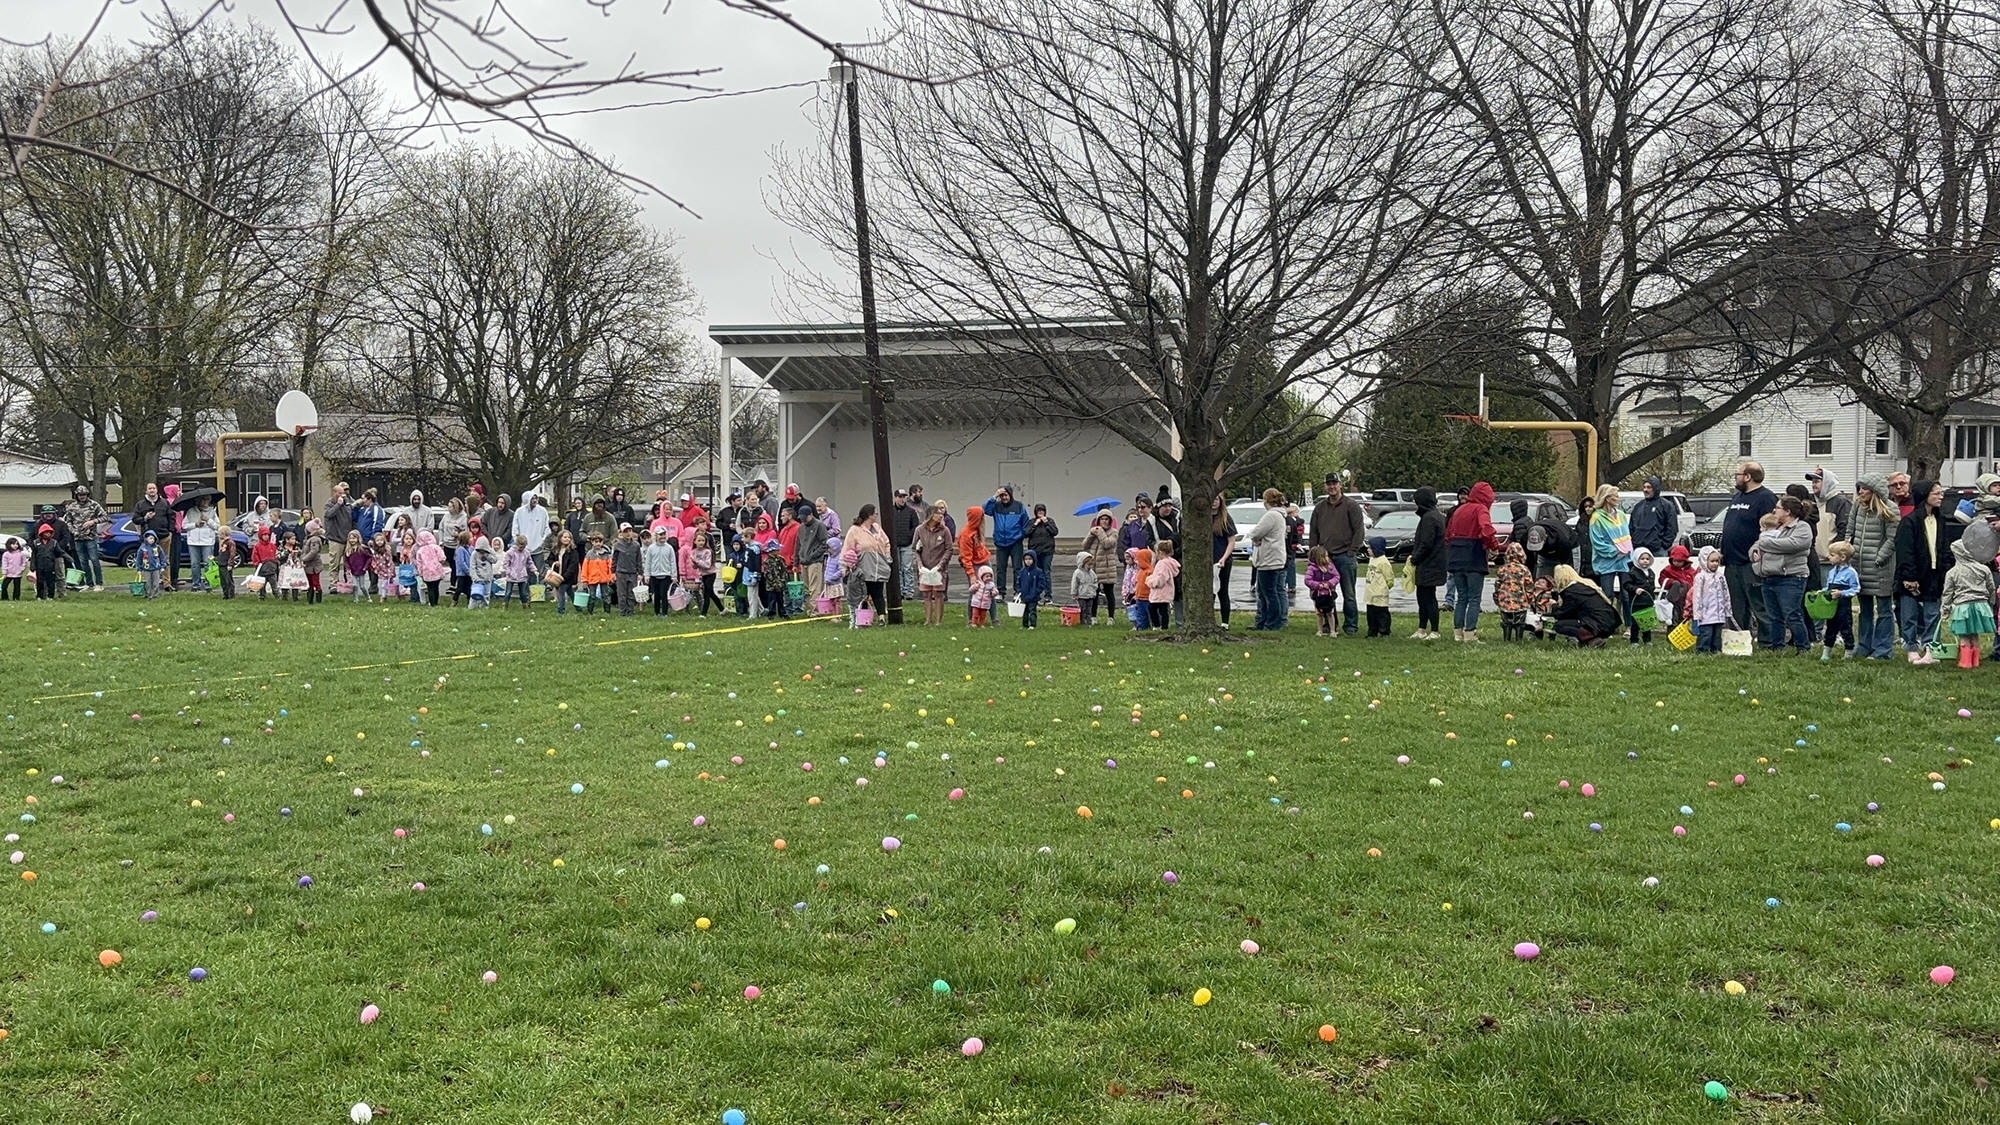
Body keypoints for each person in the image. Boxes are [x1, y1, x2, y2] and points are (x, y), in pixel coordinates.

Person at [1895, 480, 1954, 663]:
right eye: (1936, 493)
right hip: (1912, 575)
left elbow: (1944, 546)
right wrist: (1909, 576)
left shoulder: (1940, 520)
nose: (1940, 497)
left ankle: (1930, 647)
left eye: (1941, 493)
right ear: (1924, 496)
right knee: (1909, 614)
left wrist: (1946, 569)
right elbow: (1905, 551)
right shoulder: (1909, 521)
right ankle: (1911, 648)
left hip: (1934, 574)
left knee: (1932, 613)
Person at [1720, 461, 1777, 636]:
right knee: (1736, 605)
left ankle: (1768, 639)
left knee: (1758, 603)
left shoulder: (1766, 498)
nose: (1735, 478)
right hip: (1732, 561)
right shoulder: (1737, 497)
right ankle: (1740, 637)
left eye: (1737, 475)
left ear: (1747, 477)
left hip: (1751, 563)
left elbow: (1771, 528)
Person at [1753, 496, 1814, 654]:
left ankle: (1803, 647)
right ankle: (1777, 647)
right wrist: (1754, 553)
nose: (1774, 510)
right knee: (1774, 616)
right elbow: (1755, 546)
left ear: (1787, 511)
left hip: (1791, 578)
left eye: (1778, 508)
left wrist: (1765, 544)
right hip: (1768, 577)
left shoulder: (1802, 527)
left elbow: (1794, 544)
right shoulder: (1774, 527)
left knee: (1791, 614)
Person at [1307, 473, 1366, 634]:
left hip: (1345, 556)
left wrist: (1352, 551)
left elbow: (1359, 530)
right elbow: (1313, 532)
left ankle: (1351, 626)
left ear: (1340, 485)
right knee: (1325, 593)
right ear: (1325, 486)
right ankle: (1329, 624)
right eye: (1329, 484)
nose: (1332, 486)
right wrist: (1314, 554)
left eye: (1335, 483)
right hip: (1324, 557)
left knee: (1349, 594)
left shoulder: (1351, 505)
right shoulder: (1320, 508)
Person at [1850, 475, 1901, 659]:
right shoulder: (1857, 506)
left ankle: (1883, 649)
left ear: (1875, 491)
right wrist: (1848, 551)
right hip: (1859, 565)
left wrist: (1879, 558)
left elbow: (1892, 539)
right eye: (1859, 488)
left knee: (1884, 609)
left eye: (1864, 488)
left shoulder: (1890, 509)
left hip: (1881, 568)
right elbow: (1850, 530)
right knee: (1864, 609)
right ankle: (1863, 646)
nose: (1860, 492)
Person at [1443, 481, 1500, 642]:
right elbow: (1486, 529)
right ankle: (1470, 633)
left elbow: (1448, 534)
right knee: (1474, 598)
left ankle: (1458, 633)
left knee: (1461, 597)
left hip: (1456, 555)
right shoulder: (1481, 509)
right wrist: (1493, 546)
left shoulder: (1459, 510)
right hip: (1473, 555)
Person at [1588, 484, 1635, 634]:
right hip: (1606, 562)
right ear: (1607, 498)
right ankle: (1607, 626)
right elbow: (1597, 542)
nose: (1618, 498)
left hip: (1624, 560)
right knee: (1607, 596)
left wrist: (1628, 550)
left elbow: (1627, 535)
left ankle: (1629, 626)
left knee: (1626, 594)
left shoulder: (1621, 514)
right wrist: (1615, 551)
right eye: (1615, 496)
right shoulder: (1596, 518)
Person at [1942, 538, 1996, 668]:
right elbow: (1991, 587)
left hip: (1963, 607)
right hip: (1981, 605)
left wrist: (1945, 609)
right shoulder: (1983, 569)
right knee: (1974, 633)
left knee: (1964, 634)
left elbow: (1948, 592)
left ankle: (1965, 662)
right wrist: (1991, 602)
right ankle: (1975, 661)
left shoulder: (1952, 572)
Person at [1248, 489, 1290, 631]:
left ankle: (1272, 623)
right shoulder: (1280, 515)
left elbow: (1256, 533)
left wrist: (1255, 538)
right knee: (1268, 592)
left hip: (1269, 559)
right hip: (1274, 558)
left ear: (1266, 500)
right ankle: (1263, 621)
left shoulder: (1271, 515)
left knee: (1268, 593)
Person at [1549, 564, 1620, 646]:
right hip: (1608, 622)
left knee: (1559, 626)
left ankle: (1591, 639)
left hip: (1596, 624)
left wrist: (1554, 605)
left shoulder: (1571, 592)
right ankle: (1587, 639)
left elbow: (1562, 614)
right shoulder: (1585, 584)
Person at [1409, 487, 1447, 640]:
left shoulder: (1429, 518)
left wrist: (1415, 558)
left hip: (1429, 563)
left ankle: (1435, 630)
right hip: (1434, 563)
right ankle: (1422, 628)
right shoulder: (1437, 516)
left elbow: (1426, 543)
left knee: (1428, 598)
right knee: (1423, 596)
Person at [847, 504, 893, 621]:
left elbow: (886, 542)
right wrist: (849, 564)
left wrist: (887, 557)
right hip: (863, 566)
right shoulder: (855, 530)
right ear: (869, 515)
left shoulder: (877, 528)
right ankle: (863, 618)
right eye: (875, 513)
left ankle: (882, 617)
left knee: (878, 592)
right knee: (863, 594)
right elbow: (848, 548)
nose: (877, 515)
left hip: (878, 566)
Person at [983, 484, 1029, 598]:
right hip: (1000, 543)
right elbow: (984, 509)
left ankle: (1018, 591)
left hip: (1015, 542)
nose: (1004, 497)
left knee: (1017, 568)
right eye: (1002, 495)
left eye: (1006, 495)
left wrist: (1021, 535)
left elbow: (1025, 522)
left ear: (1010, 495)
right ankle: (1000, 592)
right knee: (1000, 569)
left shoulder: (1019, 506)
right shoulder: (996, 506)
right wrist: (994, 496)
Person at [62, 483, 110, 590]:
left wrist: (93, 521)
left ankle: (99, 583)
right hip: (78, 538)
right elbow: (68, 521)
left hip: (91, 538)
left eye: (84, 494)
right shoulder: (72, 507)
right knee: (83, 562)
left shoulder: (94, 505)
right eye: (80, 495)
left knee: (94, 560)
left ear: (87, 495)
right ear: (76, 495)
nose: (82, 496)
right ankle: (89, 583)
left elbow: (105, 517)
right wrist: (73, 531)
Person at [914, 504, 954, 625]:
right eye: (938, 513)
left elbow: (949, 549)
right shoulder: (920, 530)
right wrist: (919, 564)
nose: (941, 516)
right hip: (924, 567)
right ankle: (927, 620)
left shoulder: (945, 530)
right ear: (931, 515)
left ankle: (938, 621)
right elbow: (914, 549)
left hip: (939, 568)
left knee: (938, 593)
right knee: (926, 594)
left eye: (942, 514)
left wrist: (941, 564)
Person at [1821, 541, 1859, 660]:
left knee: (1845, 627)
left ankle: (1849, 651)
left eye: (1832, 555)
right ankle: (1826, 652)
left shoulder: (1851, 573)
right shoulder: (1832, 572)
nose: (1829, 557)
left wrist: (1842, 593)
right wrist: (1823, 591)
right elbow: (1829, 587)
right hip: (1832, 605)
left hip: (1843, 605)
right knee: (1830, 627)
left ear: (1842, 557)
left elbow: (1856, 589)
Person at [1081, 511, 1121, 623]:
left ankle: (1111, 617)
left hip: (1108, 567)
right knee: (1094, 593)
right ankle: (1093, 617)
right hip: (1095, 566)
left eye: (1106, 519)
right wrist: (1091, 534)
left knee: (1109, 593)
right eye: (1102, 519)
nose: (1104, 521)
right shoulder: (1095, 531)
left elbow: (1107, 544)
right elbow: (1084, 545)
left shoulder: (1114, 533)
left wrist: (1101, 533)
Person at [134, 482, 175, 592]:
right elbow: (135, 519)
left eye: (153, 488)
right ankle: (150, 583)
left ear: (157, 490)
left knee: (165, 559)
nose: (152, 490)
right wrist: (145, 518)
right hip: (148, 538)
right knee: (147, 559)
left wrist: (170, 531)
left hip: (164, 535)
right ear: (146, 491)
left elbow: (171, 516)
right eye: (149, 488)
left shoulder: (164, 503)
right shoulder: (140, 505)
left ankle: (167, 583)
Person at [1493, 541, 1533, 642]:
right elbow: (1529, 585)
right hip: (1520, 600)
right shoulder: (1524, 569)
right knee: (1520, 622)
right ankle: (1519, 639)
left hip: (1505, 600)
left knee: (1506, 622)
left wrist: (1496, 597)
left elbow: (1497, 585)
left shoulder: (1502, 569)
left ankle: (1506, 639)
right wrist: (1530, 598)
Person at [1691, 547, 1730, 652]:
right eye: (1712, 561)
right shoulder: (1700, 577)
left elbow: (1726, 594)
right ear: (1704, 561)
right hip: (1706, 614)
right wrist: (1697, 614)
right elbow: (1697, 596)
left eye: (1717, 561)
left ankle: (1715, 650)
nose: (1715, 564)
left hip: (1719, 613)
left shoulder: (1721, 577)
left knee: (1717, 635)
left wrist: (1727, 610)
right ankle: (1702, 650)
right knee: (1706, 634)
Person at [1628, 477, 1679, 556]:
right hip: (1639, 549)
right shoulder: (1638, 506)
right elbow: (1631, 526)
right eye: (1644, 487)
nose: (1645, 490)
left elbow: (1672, 527)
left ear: (1655, 489)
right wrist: (1633, 542)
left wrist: (1664, 545)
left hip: (1658, 550)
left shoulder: (1666, 505)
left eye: (1649, 487)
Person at [1211, 496, 1239, 626]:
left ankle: (1225, 623)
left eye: (1216, 499)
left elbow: (1231, 541)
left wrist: (1224, 558)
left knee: (1222, 591)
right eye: (1212, 499)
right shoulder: (1203, 518)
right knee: (1209, 593)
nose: (1214, 502)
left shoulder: (1226, 519)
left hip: (1222, 561)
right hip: (1208, 561)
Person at [184, 495, 221, 592]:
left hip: (208, 542)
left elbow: (217, 526)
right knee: (194, 564)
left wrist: (208, 520)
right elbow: (184, 526)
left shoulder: (212, 512)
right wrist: (195, 524)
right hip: (193, 541)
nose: (205, 502)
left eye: (207, 500)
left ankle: (208, 585)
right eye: (203, 500)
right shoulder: (191, 511)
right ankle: (196, 584)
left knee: (208, 564)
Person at [889, 488, 921, 599]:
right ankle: (900, 590)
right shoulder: (890, 511)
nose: (902, 499)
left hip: (907, 544)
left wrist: (909, 536)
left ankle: (909, 590)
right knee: (897, 568)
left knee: (907, 568)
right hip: (894, 545)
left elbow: (915, 526)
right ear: (895, 498)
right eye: (900, 497)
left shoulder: (911, 512)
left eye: (904, 497)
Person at [1304, 546, 1339, 636]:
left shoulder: (1330, 566)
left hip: (1328, 593)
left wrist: (1330, 583)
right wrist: (1317, 585)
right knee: (1319, 612)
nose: (1328, 558)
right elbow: (1307, 580)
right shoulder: (1312, 568)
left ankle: (1332, 630)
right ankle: (1320, 630)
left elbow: (1336, 576)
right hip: (1317, 594)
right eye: (1325, 556)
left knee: (1330, 612)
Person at [1659, 544, 1697, 627]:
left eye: (1679, 561)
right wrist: (1672, 582)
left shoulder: (1691, 571)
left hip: (1687, 600)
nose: (1676, 563)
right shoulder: (1668, 570)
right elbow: (1662, 580)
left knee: (1683, 620)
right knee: (1672, 618)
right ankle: (1671, 632)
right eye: (1674, 560)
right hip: (1673, 601)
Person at [1143, 540, 1177, 629]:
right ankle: (1163, 626)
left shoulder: (1162, 564)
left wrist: (1151, 582)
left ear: (1160, 552)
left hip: (1160, 592)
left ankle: (1158, 626)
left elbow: (1161, 578)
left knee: (1153, 608)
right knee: (1163, 610)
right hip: (1166, 592)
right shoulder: (1169, 563)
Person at [1364, 536, 1394, 638]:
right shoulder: (1372, 560)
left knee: (1381, 613)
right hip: (1370, 592)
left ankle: (1384, 631)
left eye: (1370, 548)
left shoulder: (1383, 562)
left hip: (1380, 593)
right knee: (1371, 614)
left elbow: (1389, 576)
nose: (1368, 550)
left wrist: (1388, 584)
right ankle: (1372, 632)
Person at [644, 528, 678, 616]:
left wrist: (674, 575)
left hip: (666, 574)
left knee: (664, 594)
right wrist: (647, 575)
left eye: (664, 534)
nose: (662, 536)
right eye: (660, 535)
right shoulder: (651, 548)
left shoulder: (669, 548)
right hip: (654, 575)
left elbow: (672, 562)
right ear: (655, 536)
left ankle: (664, 613)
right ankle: (657, 612)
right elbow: (648, 562)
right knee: (656, 594)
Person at [610, 524, 643, 616]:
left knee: (631, 593)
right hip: (621, 572)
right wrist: (613, 572)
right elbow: (614, 560)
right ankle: (622, 611)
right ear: (621, 533)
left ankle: (630, 610)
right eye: (625, 531)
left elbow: (639, 560)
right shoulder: (617, 545)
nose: (628, 533)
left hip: (632, 572)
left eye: (630, 531)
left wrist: (640, 572)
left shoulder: (636, 545)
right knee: (621, 593)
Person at [1627, 547, 1657, 644]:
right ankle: (1634, 640)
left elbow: (1652, 585)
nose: (1645, 561)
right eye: (1642, 559)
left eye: (1647, 559)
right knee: (1635, 622)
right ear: (1636, 559)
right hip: (1637, 602)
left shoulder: (1650, 572)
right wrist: (1635, 589)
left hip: (1647, 601)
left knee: (1647, 622)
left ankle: (1647, 639)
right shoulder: (1633, 572)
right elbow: (1627, 584)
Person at [957, 507, 992, 589]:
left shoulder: (978, 529)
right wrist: (971, 574)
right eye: (981, 517)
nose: (983, 520)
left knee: (989, 588)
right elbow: (966, 557)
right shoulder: (966, 535)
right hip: (975, 565)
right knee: (977, 590)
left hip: (984, 560)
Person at [548, 530, 582, 615]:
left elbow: (573, 565)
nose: (567, 539)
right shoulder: (555, 549)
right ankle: (579, 608)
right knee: (570, 593)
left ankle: (561, 611)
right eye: (565, 537)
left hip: (567, 577)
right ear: (560, 538)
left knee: (561, 592)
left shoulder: (573, 551)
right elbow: (549, 559)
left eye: (569, 537)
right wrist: (554, 563)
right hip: (557, 575)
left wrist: (564, 577)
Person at [517, 494, 552, 571]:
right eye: (532, 498)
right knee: (524, 571)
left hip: (538, 548)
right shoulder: (519, 512)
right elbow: (515, 530)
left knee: (538, 571)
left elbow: (547, 528)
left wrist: (542, 541)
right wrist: (519, 543)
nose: (534, 500)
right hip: (523, 548)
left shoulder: (542, 511)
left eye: (535, 498)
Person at [1026, 505, 1060, 582]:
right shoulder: (1032, 522)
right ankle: (1036, 588)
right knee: (1036, 571)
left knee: (1046, 571)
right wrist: (1035, 524)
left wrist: (1046, 523)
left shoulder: (1050, 521)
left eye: (1042, 510)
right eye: (1038, 511)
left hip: (1047, 551)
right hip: (1035, 551)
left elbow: (1055, 532)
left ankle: (1047, 589)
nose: (1040, 512)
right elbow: (1026, 533)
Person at [579, 533, 613, 613]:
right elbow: (585, 568)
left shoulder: (606, 554)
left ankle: (607, 611)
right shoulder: (589, 554)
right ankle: (590, 611)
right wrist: (584, 579)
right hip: (592, 578)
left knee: (605, 595)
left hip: (604, 578)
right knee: (592, 595)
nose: (598, 543)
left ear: (602, 542)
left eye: (600, 542)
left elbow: (610, 567)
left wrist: (610, 577)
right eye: (596, 541)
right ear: (592, 542)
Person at [1018, 548, 1052, 628]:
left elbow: (1042, 583)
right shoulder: (1022, 572)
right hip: (1024, 595)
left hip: (1034, 596)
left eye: (1030, 559)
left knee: (1032, 611)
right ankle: (1025, 625)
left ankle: (1033, 624)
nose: (1028, 561)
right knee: (1025, 611)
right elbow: (1018, 582)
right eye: (1026, 559)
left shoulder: (1038, 571)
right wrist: (1020, 591)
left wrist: (1037, 591)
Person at [1125, 546, 1154, 631]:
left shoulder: (1150, 571)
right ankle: (1141, 627)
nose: (1137, 562)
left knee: (1150, 614)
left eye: (1139, 560)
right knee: (1140, 614)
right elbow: (1137, 583)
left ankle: (1153, 626)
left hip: (1148, 598)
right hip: (1139, 597)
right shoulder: (1140, 572)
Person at [30, 526, 64, 599]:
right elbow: (33, 555)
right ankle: (40, 596)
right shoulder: (36, 542)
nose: (48, 534)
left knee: (51, 582)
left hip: (50, 566)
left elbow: (59, 552)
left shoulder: (54, 542)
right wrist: (32, 566)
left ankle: (50, 596)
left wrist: (68, 557)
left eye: (49, 533)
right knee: (40, 582)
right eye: (46, 532)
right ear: (41, 533)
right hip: (39, 566)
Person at [502, 535, 533, 608]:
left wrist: (534, 569)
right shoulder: (510, 552)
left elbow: (530, 562)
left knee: (523, 592)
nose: (522, 549)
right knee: (508, 592)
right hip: (511, 575)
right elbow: (506, 563)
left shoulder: (526, 552)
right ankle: (505, 605)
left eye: (524, 547)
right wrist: (509, 572)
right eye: (520, 547)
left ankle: (524, 605)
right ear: (516, 544)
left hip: (522, 575)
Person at [469, 535, 499, 608]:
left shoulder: (490, 552)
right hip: (478, 578)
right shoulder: (474, 554)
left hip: (487, 578)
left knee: (486, 595)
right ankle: (472, 608)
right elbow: (472, 567)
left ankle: (484, 608)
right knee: (475, 595)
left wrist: (487, 555)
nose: (481, 551)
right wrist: (475, 578)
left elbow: (495, 560)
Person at [1070, 550, 1099, 624]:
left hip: (1090, 595)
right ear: (1083, 563)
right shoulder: (1078, 573)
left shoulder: (1092, 573)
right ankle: (1083, 621)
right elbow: (1074, 583)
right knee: (1083, 609)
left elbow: (1095, 581)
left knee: (1089, 609)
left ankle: (1089, 621)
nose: (1090, 567)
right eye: (1088, 565)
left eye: (1091, 565)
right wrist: (1074, 593)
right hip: (1081, 595)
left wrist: (1094, 590)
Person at [249, 527, 279, 600]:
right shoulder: (257, 546)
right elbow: (255, 556)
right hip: (262, 570)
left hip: (272, 570)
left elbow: (276, 555)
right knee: (261, 586)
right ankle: (262, 597)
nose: (266, 536)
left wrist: (276, 563)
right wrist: (257, 564)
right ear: (260, 536)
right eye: (264, 535)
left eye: (268, 534)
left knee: (274, 585)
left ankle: (277, 596)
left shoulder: (272, 545)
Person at [135, 531, 166, 598]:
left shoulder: (157, 547)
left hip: (156, 568)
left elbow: (162, 557)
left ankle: (155, 594)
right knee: (148, 582)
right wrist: (139, 569)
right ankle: (148, 594)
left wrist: (163, 566)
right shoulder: (142, 548)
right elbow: (139, 559)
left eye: (153, 538)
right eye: (150, 538)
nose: (152, 540)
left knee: (156, 582)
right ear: (146, 539)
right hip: (146, 568)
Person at [343, 531, 371, 603]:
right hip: (353, 571)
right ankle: (355, 599)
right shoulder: (348, 550)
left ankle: (368, 598)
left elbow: (369, 558)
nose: (352, 540)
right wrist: (348, 569)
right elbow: (346, 560)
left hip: (361, 570)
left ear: (358, 538)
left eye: (354, 538)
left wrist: (365, 567)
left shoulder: (363, 548)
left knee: (362, 586)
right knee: (355, 586)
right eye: (350, 538)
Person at [1, 536, 24, 600]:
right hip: (8, 574)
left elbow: (24, 562)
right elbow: (4, 564)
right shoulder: (6, 554)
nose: (15, 545)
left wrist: (21, 569)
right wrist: (4, 573)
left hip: (18, 573)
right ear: (9, 545)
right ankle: (4, 598)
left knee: (17, 587)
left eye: (16, 544)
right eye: (13, 544)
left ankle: (16, 598)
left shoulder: (21, 554)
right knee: (4, 586)